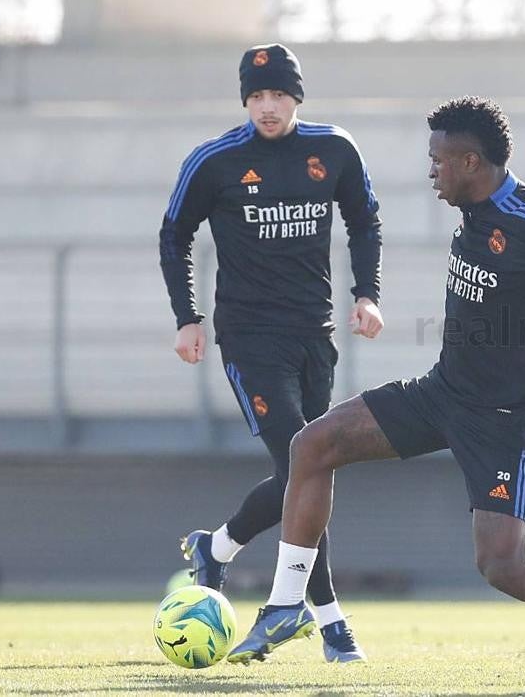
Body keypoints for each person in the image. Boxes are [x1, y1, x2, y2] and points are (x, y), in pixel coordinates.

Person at [228, 96, 525, 683]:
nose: (430, 170)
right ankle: (287, 606)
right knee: (311, 445)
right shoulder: (475, 208)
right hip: (442, 393)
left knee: (503, 566)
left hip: (502, 419)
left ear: (469, 162)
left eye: (437, 160)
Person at [158, 43, 383, 663]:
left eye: (277, 95)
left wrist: (367, 294)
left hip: (316, 336)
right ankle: (329, 621)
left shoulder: (334, 149)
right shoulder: (216, 160)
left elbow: (365, 220)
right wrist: (187, 318)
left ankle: (218, 549)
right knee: (301, 464)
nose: (266, 107)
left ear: (297, 97)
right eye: (255, 96)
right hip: (250, 338)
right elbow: (174, 233)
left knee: (307, 468)